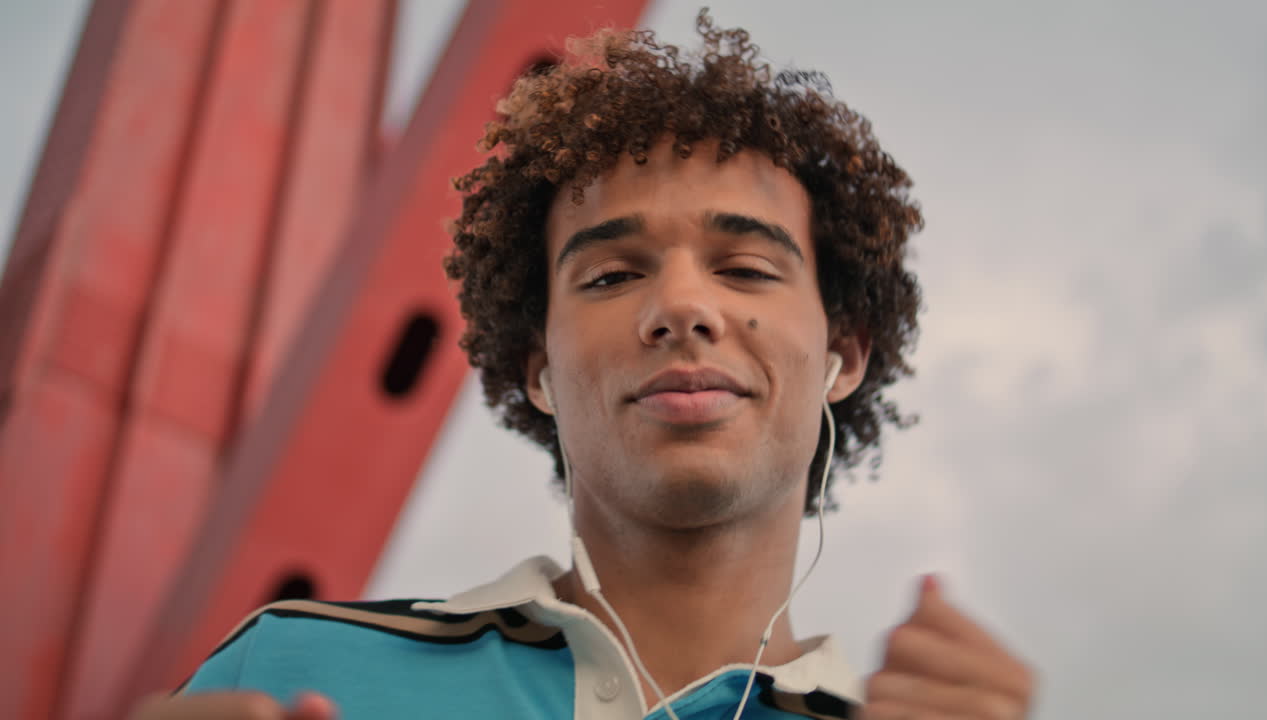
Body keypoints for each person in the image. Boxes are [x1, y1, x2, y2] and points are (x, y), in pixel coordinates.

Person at [131, 10, 1035, 720]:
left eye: (747, 268)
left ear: (845, 354)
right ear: (538, 371)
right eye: (610, 274)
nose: (682, 306)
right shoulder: (289, 673)